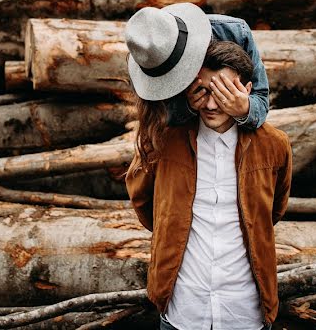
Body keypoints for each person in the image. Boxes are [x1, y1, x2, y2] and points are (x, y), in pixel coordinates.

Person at [125, 37, 292, 330]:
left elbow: (273, 210)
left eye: (224, 92)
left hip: (245, 310)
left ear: (248, 91)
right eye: (203, 91)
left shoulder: (274, 145)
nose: (212, 104)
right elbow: (141, 198)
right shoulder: (167, 140)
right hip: (183, 308)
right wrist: (171, 229)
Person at [124, 3, 270, 131]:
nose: (211, 105)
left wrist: (245, 108)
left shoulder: (235, 32)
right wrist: (186, 107)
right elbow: (155, 121)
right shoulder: (144, 54)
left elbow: (261, 98)